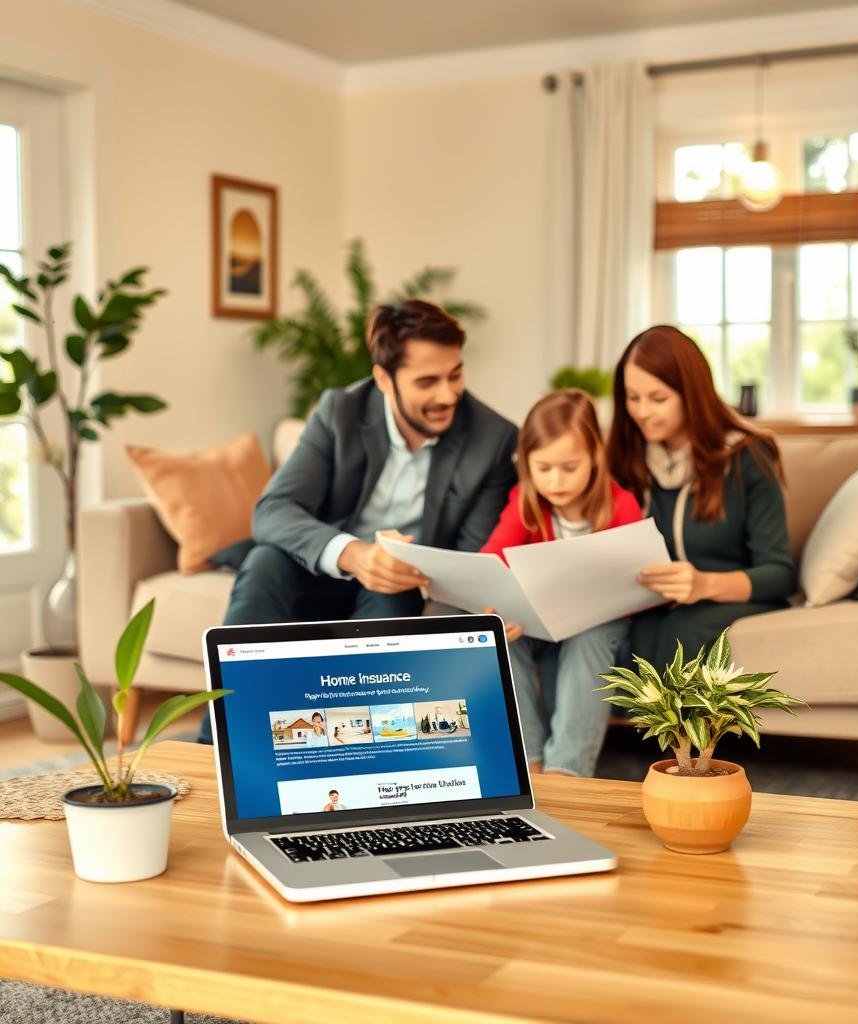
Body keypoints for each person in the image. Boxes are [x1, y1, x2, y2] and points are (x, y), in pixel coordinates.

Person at [197, 300, 518, 743]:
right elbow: (272, 510)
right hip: (323, 570)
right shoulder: (340, 412)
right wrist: (354, 554)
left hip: (403, 586)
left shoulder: (493, 439)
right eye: (427, 381)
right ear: (384, 378)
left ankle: (367, 764)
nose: (447, 395)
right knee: (266, 563)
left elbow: (471, 555)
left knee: (393, 599)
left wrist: (481, 602)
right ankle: (218, 748)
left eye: (455, 374)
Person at [607, 325, 796, 671]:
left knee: (681, 631)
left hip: (729, 599)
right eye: (633, 398)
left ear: (691, 394)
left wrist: (703, 584)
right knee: (641, 632)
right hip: (658, 607)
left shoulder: (747, 456)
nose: (643, 412)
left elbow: (780, 574)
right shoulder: (627, 456)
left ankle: (676, 727)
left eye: (658, 398)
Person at [481, 390, 643, 777]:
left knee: (590, 638)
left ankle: (567, 770)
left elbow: (639, 583)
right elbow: (491, 560)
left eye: (570, 467)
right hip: (541, 619)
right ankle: (530, 760)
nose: (555, 480)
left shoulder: (621, 505)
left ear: (595, 457)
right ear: (526, 464)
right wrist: (493, 607)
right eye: (543, 468)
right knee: (503, 636)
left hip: (599, 622)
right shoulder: (526, 501)